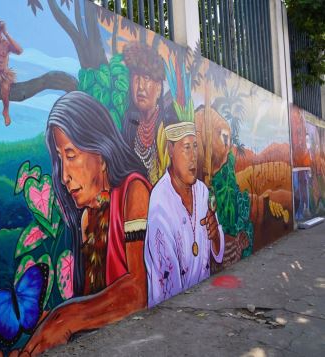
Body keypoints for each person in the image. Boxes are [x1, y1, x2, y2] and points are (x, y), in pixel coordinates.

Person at [20, 91, 152, 356]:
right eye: (60, 159)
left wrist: (67, 317)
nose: (65, 175)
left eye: (71, 155)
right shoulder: (86, 218)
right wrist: (53, 321)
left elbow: (139, 291)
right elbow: (93, 298)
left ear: (101, 154)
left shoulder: (133, 192)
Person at [145, 120, 225, 308]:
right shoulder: (160, 203)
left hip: (201, 301)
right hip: (172, 310)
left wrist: (215, 237)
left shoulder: (202, 192)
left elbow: (218, 252)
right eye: (186, 147)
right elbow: (167, 281)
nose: (193, 156)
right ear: (171, 150)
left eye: (195, 147)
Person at [122, 42, 167, 184]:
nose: (140, 86)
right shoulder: (128, 124)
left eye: (146, 78)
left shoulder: (167, 126)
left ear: (159, 88)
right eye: (136, 78)